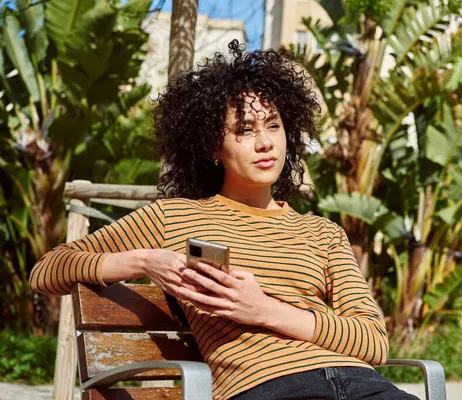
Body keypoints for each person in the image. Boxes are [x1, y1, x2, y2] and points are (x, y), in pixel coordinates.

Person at [30, 40, 418, 400]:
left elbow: (373, 341)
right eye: (244, 130)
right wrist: (144, 261)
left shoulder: (323, 232)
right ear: (213, 147)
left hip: (364, 386)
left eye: (273, 126)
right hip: (270, 388)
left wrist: (263, 309)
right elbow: (47, 270)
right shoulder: (176, 217)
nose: (265, 143)